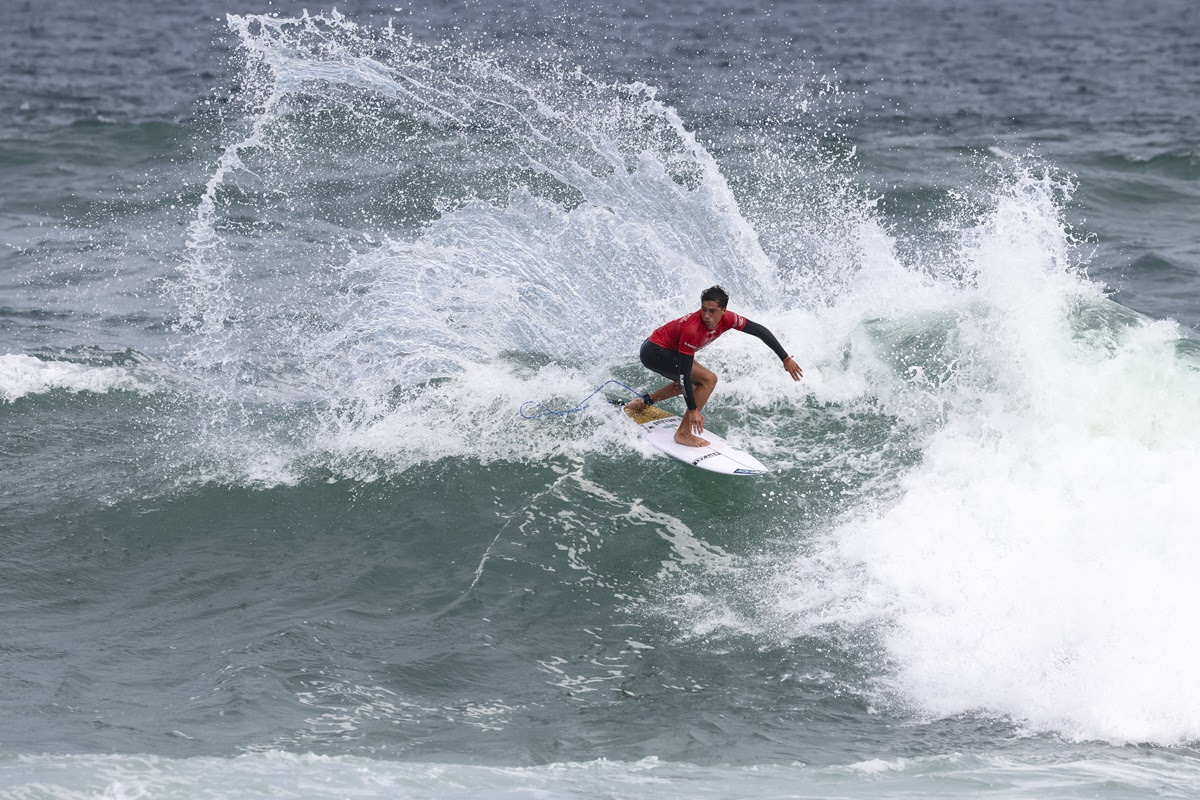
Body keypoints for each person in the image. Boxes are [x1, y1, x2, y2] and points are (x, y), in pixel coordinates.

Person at [625, 285, 803, 447]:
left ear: (723, 311)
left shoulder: (730, 319)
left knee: (694, 385)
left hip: (663, 348)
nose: (706, 316)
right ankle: (683, 433)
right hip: (655, 351)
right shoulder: (692, 329)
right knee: (708, 380)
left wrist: (785, 359)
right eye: (703, 310)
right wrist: (693, 410)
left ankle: (644, 403)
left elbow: (760, 331)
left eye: (712, 311)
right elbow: (683, 374)